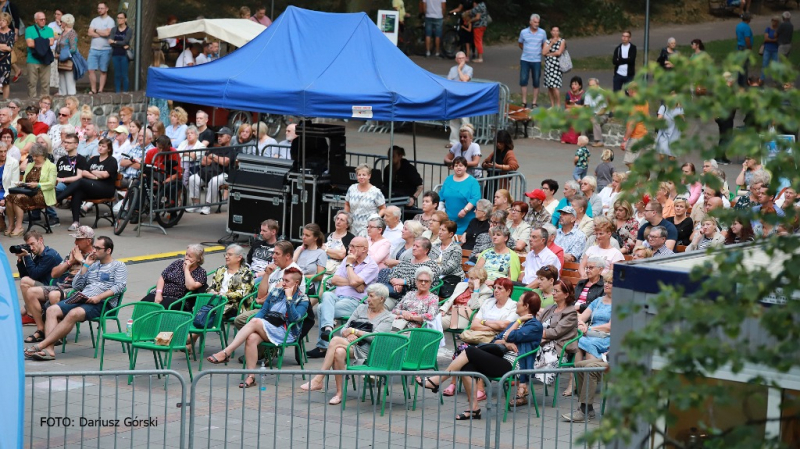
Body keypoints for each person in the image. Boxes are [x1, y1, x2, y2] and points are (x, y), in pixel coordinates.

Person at [417, 289, 541, 420]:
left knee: (470, 350)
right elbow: (497, 340)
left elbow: (508, 335)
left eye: (520, 301)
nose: (516, 303)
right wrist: (506, 342)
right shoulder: (517, 324)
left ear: (526, 306)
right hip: (501, 359)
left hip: (513, 366)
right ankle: (473, 409)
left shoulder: (534, 326)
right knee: (467, 366)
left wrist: (517, 323)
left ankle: (439, 380)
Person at [24, 236, 126, 361]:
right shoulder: (92, 265)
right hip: (82, 298)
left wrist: (99, 297)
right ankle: (49, 350)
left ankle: (41, 346)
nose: (94, 250)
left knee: (74, 313)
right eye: (94, 247)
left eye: (98, 248)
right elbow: (76, 285)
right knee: (52, 310)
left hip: (102, 303)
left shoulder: (118, 265)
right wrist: (85, 266)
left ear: (108, 250)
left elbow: (120, 286)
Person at [207, 268, 308, 389]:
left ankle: (226, 353)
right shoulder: (276, 291)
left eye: (287, 281)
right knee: (251, 338)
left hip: (286, 332)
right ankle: (251, 377)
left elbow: (294, 319)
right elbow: (264, 311)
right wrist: (255, 325)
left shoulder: (303, 299)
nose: (283, 283)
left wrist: (289, 298)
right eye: (283, 279)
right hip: (269, 325)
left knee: (254, 321)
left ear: (296, 283)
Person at [299, 283, 393, 405]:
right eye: (368, 296)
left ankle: (319, 379)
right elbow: (344, 329)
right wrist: (348, 334)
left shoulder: (388, 317)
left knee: (334, 341)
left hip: (369, 352)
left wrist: (355, 332)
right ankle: (339, 393)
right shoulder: (361, 309)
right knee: (338, 352)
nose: (368, 299)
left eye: (371, 296)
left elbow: (376, 338)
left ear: (381, 299)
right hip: (352, 345)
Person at [309, 236, 380, 358]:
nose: (350, 249)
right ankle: (329, 328)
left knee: (321, 308)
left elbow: (354, 281)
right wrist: (354, 282)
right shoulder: (348, 259)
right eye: (350, 246)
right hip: (337, 298)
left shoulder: (371, 266)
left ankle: (323, 345)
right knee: (326, 294)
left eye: (354, 246)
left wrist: (349, 265)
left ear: (364, 249)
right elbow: (335, 280)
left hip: (355, 302)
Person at [564, 271, 612, 396]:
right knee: (578, 341)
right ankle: (574, 381)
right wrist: (581, 324)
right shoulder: (598, 301)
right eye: (606, 281)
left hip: (606, 337)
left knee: (587, 344)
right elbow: (581, 318)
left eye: (611, 283)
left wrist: (589, 329)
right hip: (590, 334)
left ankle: (586, 384)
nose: (606, 284)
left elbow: (609, 327)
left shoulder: (619, 303)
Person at [55, 138, 118, 232]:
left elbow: (105, 175)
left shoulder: (111, 160)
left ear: (109, 149)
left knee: (80, 181)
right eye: (99, 145)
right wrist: (96, 176)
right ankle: (75, 222)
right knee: (77, 192)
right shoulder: (94, 159)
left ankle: (58, 199)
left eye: (103, 146)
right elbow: (84, 172)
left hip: (106, 189)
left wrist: (92, 171)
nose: (100, 148)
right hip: (93, 186)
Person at [531, 277, 578, 387]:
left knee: (527, 351)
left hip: (556, 348)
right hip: (541, 342)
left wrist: (535, 334)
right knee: (522, 349)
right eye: (553, 290)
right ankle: (520, 382)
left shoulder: (571, 313)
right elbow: (536, 324)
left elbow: (556, 332)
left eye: (556, 291)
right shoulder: (550, 308)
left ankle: (521, 379)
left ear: (566, 295)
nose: (553, 293)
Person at [4, 144, 55, 237]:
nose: (34, 158)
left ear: (43, 155)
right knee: (8, 197)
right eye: (33, 155)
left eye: (36, 156)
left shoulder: (51, 166)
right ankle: (11, 225)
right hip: (28, 191)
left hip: (41, 194)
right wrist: (21, 183)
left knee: (17, 198)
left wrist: (38, 184)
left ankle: (19, 227)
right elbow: (25, 180)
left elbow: (51, 184)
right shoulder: (30, 165)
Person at [140, 244, 207, 309]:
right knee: (142, 305)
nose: (186, 258)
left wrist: (186, 269)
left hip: (178, 299)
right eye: (186, 254)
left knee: (160, 308)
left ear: (198, 259)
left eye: (190, 256)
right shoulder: (177, 263)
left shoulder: (201, 272)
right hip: (162, 293)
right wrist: (158, 293)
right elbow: (162, 277)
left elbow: (190, 286)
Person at [186, 127, 232, 215]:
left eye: (222, 136)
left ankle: (207, 205)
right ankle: (195, 204)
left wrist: (213, 157)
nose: (219, 137)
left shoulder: (231, 149)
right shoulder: (214, 148)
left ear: (229, 138)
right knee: (192, 178)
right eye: (218, 135)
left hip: (224, 174)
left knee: (214, 181)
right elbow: (204, 161)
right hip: (209, 171)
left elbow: (225, 162)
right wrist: (215, 159)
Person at [206, 244, 256, 321]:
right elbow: (211, 287)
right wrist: (212, 292)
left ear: (239, 257)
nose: (226, 257)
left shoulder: (246, 273)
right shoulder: (220, 270)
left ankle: (192, 332)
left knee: (206, 314)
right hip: (217, 301)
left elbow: (242, 293)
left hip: (235, 305)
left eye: (230, 255)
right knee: (199, 310)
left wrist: (224, 295)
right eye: (226, 254)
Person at [383, 237, 440, 304]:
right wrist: (395, 282)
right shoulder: (406, 262)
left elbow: (423, 281)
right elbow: (392, 274)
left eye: (417, 246)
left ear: (426, 250)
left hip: (418, 300)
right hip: (396, 293)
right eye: (413, 245)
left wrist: (404, 282)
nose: (414, 248)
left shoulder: (432, 265)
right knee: (378, 303)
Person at [15, 230, 62, 308]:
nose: (31, 248)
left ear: (40, 240)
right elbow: (25, 275)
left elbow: (34, 275)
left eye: (32, 244)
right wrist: (20, 259)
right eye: (28, 245)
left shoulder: (50, 255)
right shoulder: (38, 256)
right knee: (21, 313)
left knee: (25, 281)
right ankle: (30, 311)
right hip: (45, 286)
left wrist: (27, 256)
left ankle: (31, 313)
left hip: (55, 289)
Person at [440, 266, 492, 330]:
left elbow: (474, 307)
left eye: (472, 279)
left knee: (436, 323)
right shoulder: (461, 285)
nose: (469, 281)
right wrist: (443, 309)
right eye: (469, 278)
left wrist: (476, 290)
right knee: (430, 320)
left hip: (462, 317)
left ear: (480, 280)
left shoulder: (486, 291)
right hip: (449, 312)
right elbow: (451, 299)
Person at [439, 156, 481, 234]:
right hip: (449, 222)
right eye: (456, 166)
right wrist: (441, 210)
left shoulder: (473, 182)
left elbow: (475, 198)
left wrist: (465, 210)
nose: (458, 168)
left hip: (466, 222)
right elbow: (441, 196)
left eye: (461, 165)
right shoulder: (448, 179)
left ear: (465, 167)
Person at [390, 266, 439, 330]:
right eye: (420, 280)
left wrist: (411, 317)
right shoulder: (410, 294)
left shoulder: (433, 298)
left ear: (430, 283)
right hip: (399, 323)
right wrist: (403, 313)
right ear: (416, 281)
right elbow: (394, 310)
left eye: (426, 281)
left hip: (415, 330)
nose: (423, 283)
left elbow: (430, 316)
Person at [344, 163, 386, 237]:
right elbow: (347, 204)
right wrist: (346, 217)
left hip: (366, 226)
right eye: (359, 175)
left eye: (364, 175)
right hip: (352, 225)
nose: (361, 177)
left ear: (369, 176)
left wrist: (375, 219)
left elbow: (383, 208)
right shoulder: (352, 188)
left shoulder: (376, 192)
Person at [518, 14, 546, 109]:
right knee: (523, 80)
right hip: (525, 59)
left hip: (537, 60)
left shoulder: (542, 32)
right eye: (535, 22)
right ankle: (524, 101)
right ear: (530, 22)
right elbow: (520, 43)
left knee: (536, 81)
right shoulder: (523, 32)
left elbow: (544, 44)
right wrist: (526, 50)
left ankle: (534, 102)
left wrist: (540, 52)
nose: (536, 24)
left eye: (538, 22)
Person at [620, 82, 650, 169]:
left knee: (628, 161)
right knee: (633, 160)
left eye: (628, 90)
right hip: (642, 133)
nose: (627, 92)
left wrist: (625, 139)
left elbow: (632, 123)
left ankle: (638, 176)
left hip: (636, 135)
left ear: (632, 91)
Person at [445, 52, 472, 149]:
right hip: (454, 97)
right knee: (453, 121)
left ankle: (467, 141)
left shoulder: (469, 69)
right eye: (459, 58)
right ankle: (454, 142)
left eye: (463, 58)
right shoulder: (452, 69)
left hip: (464, 98)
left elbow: (464, 80)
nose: (461, 60)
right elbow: (448, 82)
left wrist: (459, 69)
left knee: (465, 121)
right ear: (456, 59)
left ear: (466, 58)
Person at [87, 2, 115, 94]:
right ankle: (93, 89)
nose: (100, 10)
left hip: (105, 49)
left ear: (106, 9)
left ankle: (100, 89)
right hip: (93, 48)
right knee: (91, 69)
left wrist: (95, 30)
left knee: (103, 70)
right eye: (98, 8)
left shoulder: (110, 21)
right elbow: (89, 33)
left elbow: (108, 33)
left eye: (102, 8)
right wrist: (101, 33)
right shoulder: (94, 20)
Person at [25, 12, 54, 99]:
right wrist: (45, 42)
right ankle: (32, 101)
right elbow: (29, 44)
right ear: (36, 20)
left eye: (44, 19)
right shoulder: (29, 29)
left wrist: (37, 42)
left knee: (46, 83)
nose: (43, 21)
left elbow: (51, 42)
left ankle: (45, 102)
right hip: (32, 59)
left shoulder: (49, 30)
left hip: (45, 58)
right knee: (31, 82)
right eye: (41, 19)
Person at [294, 223, 328, 289]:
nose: (304, 237)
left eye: (307, 235)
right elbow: (290, 264)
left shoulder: (321, 253)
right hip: (294, 283)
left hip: (309, 285)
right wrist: (300, 249)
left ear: (315, 238)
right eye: (303, 234)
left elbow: (319, 276)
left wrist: (301, 277)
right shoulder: (300, 250)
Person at [542, 26, 566, 109]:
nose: (555, 32)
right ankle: (552, 105)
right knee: (550, 86)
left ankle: (558, 106)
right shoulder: (547, 41)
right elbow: (544, 52)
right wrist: (551, 43)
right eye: (553, 31)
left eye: (557, 31)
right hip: (548, 66)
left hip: (556, 66)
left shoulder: (562, 41)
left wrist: (549, 54)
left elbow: (559, 52)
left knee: (555, 86)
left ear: (559, 32)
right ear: (551, 32)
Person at [109, 12, 132, 93]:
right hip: (115, 54)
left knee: (124, 75)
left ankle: (125, 92)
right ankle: (117, 92)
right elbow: (110, 42)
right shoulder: (114, 29)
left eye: (121, 18)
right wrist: (120, 44)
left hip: (124, 55)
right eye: (118, 18)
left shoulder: (128, 30)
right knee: (117, 74)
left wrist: (115, 42)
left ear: (125, 19)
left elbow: (125, 41)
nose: (119, 19)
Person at [584, 78, 608, 147]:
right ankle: (583, 139)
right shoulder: (588, 93)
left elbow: (604, 109)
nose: (591, 87)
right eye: (590, 85)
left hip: (602, 114)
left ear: (597, 85)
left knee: (595, 120)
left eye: (593, 85)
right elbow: (587, 106)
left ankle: (599, 141)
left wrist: (595, 115)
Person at [0, 143, 18, 233]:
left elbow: (14, 183)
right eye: (0, 152)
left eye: (5, 151)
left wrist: (4, 197)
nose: (3, 154)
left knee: (6, 200)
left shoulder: (13, 162)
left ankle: (7, 224)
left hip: (6, 190)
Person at [735, 13, 753, 87]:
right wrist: (749, 48)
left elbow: (737, 36)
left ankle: (739, 81)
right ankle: (744, 83)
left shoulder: (738, 26)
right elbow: (747, 38)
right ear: (748, 19)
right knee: (744, 66)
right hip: (744, 48)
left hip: (739, 47)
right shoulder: (747, 27)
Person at [0, 12, 14, 100]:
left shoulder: (11, 33)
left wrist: (4, 47)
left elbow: (9, 48)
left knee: (5, 82)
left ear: (8, 22)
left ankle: (5, 101)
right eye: (0, 20)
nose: (1, 22)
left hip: (5, 61)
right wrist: (3, 46)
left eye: (3, 20)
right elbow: (6, 46)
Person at [762, 16, 779, 81]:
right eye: (773, 20)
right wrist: (774, 40)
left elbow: (778, 39)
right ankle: (762, 78)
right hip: (767, 49)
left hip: (775, 50)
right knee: (765, 64)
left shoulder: (778, 30)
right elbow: (766, 39)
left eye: (775, 21)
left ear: (777, 22)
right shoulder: (768, 29)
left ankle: (775, 79)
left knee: (775, 66)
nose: (773, 22)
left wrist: (771, 39)